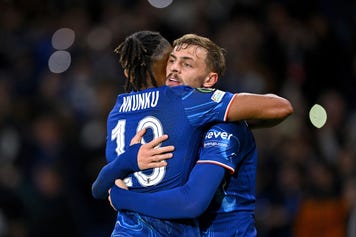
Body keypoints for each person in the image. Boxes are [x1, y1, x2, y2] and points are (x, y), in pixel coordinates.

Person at [92, 31, 293, 236]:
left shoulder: (224, 127)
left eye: (187, 64)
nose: (174, 69)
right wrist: (130, 160)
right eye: (171, 61)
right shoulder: (169, 113)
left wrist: (123, 199)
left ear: (209, 80)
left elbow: (191, 202)